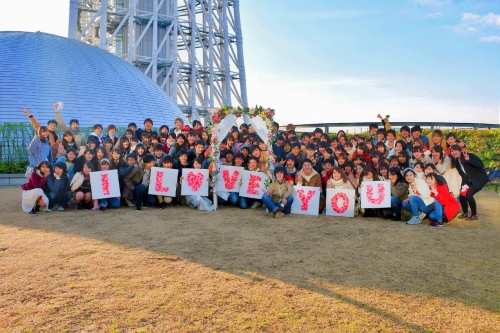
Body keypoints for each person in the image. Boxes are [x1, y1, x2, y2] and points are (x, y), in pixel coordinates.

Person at [450, 145, 489, 220]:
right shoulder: (457, 161)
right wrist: (464, 186)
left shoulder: (469, 155)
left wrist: (469, 160)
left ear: (460, 150)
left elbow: (481, 165)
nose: (454, 152)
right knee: (462, 193)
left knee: (469, 195)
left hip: (479, 179)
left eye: (456, 150)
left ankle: (474, 215)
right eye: (452, 151)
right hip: (469, 180)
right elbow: (463, 174)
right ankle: (465, 213)